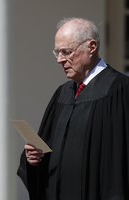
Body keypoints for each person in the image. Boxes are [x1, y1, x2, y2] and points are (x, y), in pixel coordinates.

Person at [17, 17, 129, 200]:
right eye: (57, 53)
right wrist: (34, 159)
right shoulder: (63, 94)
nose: (60, 60)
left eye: (67, 52)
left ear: (91, 47)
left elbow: (120, 160)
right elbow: (45, 148)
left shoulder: (119, 91)